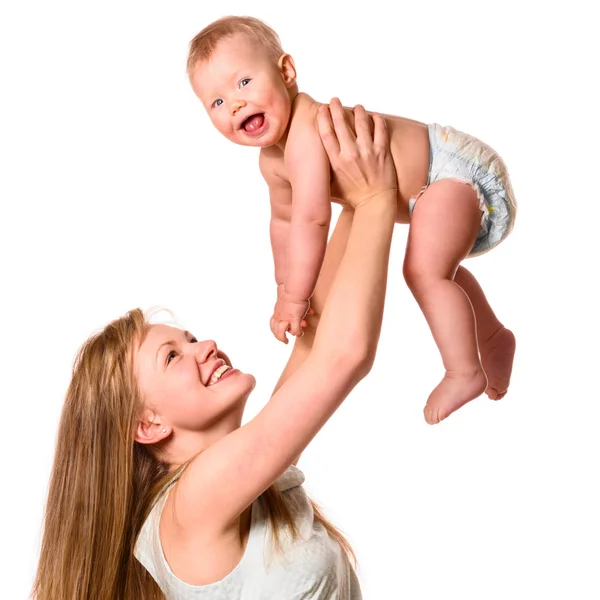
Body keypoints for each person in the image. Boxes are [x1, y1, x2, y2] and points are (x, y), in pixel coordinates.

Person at [32, 101, 397, 599]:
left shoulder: (244, 472)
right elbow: (345, 356)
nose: (204, 346)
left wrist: (350, 198)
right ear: (148, 424)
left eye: (188, 340)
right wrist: (377, 197)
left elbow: (318, 339)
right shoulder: (195, 499)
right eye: (172, 357)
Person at [186, 16, 518, 425]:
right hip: (427, 194)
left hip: (450, 170)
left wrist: (295, 298)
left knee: (424, 273)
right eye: (217, 102)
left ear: (286, 72)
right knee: (440, 272)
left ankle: (463, 370)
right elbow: (284, 222)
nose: (234, 103)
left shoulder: (307, 129)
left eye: (243, 83)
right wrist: (282, 284)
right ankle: (492, 337)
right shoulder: (271, 161)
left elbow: (312, 218)